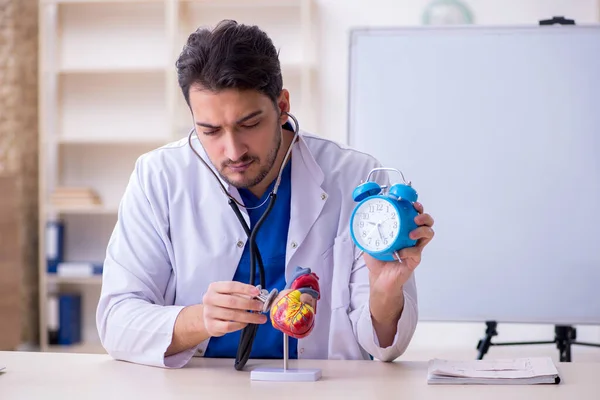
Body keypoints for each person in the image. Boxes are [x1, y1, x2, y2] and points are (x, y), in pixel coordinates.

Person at [95, 19, 435, 369]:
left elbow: (385, 348)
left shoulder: (353, 176)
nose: (232, 151)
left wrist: (384, 291)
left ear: (282, 105)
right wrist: (200, 319)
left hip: (321, 388)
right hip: (201, 388)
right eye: (209, 130)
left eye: (249, 124)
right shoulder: (159, 178)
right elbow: (116, 321)